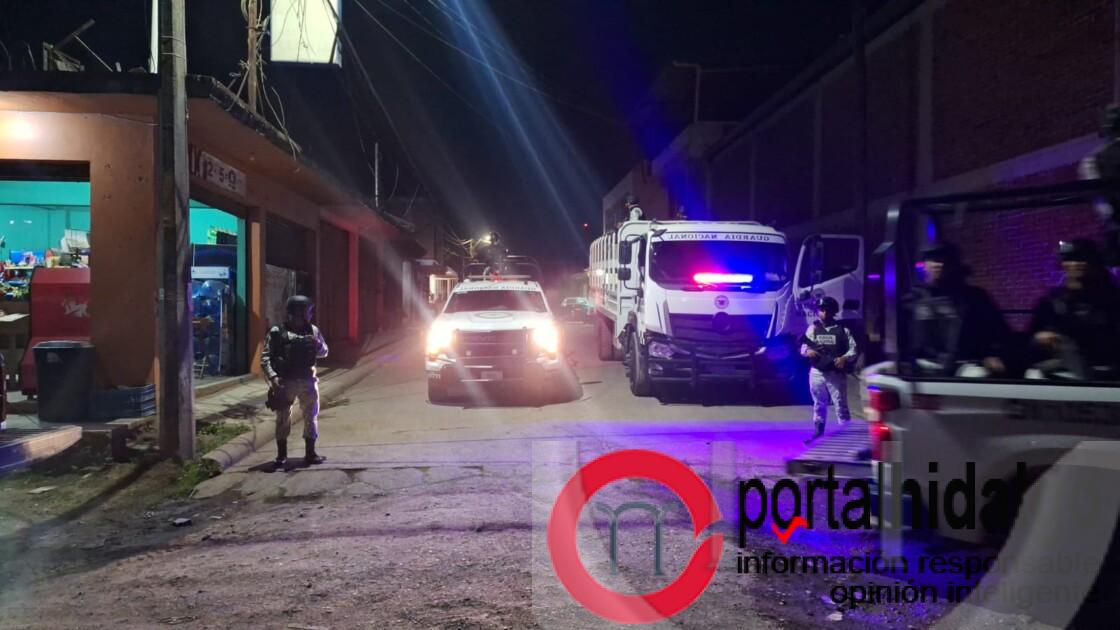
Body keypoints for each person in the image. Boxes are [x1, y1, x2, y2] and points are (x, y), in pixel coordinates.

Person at [904, 242, 1009, 377]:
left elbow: (997, 330)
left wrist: (992, 354)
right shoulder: (913, 298)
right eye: (932, 259)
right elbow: (900, 332)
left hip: (963, 364)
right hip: (923, 363)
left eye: (943, 259)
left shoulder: (974, 297)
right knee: (881, 372)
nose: (938, 264)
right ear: (925, 265)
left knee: (978, 376)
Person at [1028, 239, 1120, 380]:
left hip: (1107, 369)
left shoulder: (1112, 297)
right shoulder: (1051, 300)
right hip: (1065, 367)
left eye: (1082, 259)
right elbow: (1031, 337)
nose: (1076, 264)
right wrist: (1040, 338)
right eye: (1070, 259)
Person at [261, 295, 330, 469]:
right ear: (300, 312)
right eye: (309, 311)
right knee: (283, 418)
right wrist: (273, 377)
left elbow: (324, 352)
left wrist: (317, 344)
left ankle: (310, 453)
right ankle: (281, 455)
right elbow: (266, 357)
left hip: (308, 380)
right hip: (285, 382)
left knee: (310, 416)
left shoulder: (313, 330)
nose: (310, 314)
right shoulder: (277, 332)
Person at [801, 296, 859, 444]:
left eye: (827, 310)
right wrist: (808, 351)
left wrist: (844, 358)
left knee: (840, 405)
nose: (824, 313)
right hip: (817, 372)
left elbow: (853, 349)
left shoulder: (843, 330)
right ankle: (818, 432)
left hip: (835, 373)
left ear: (834, 312)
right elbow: (803, 347)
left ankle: (846, 437)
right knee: (819, 403)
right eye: (821, 309)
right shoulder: (813, 329)